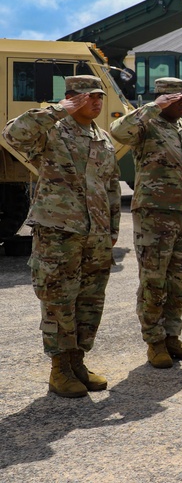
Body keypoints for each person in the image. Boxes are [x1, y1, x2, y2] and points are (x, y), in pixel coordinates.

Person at [3, 74, 120, 398]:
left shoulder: (103, 139)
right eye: (89, 96)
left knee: (89, 302)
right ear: (72, 97)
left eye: (99, 96)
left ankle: (77, 362)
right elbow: (12, 133)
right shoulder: (51, 132)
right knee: (58, 301)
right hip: (59, 234)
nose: (97, 102)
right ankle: (59, 369)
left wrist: (112, 229)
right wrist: (56, 110)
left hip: (94, 236)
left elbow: (111, 186)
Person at [110, 77, 182, 369]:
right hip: (155, 214)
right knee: (153, 282)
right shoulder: (146, 124)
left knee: (177, 281)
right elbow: (118, 131)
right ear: (163, 100)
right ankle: (154, 341)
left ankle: (172, 335)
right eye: (177, 99)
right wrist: (151, 107)